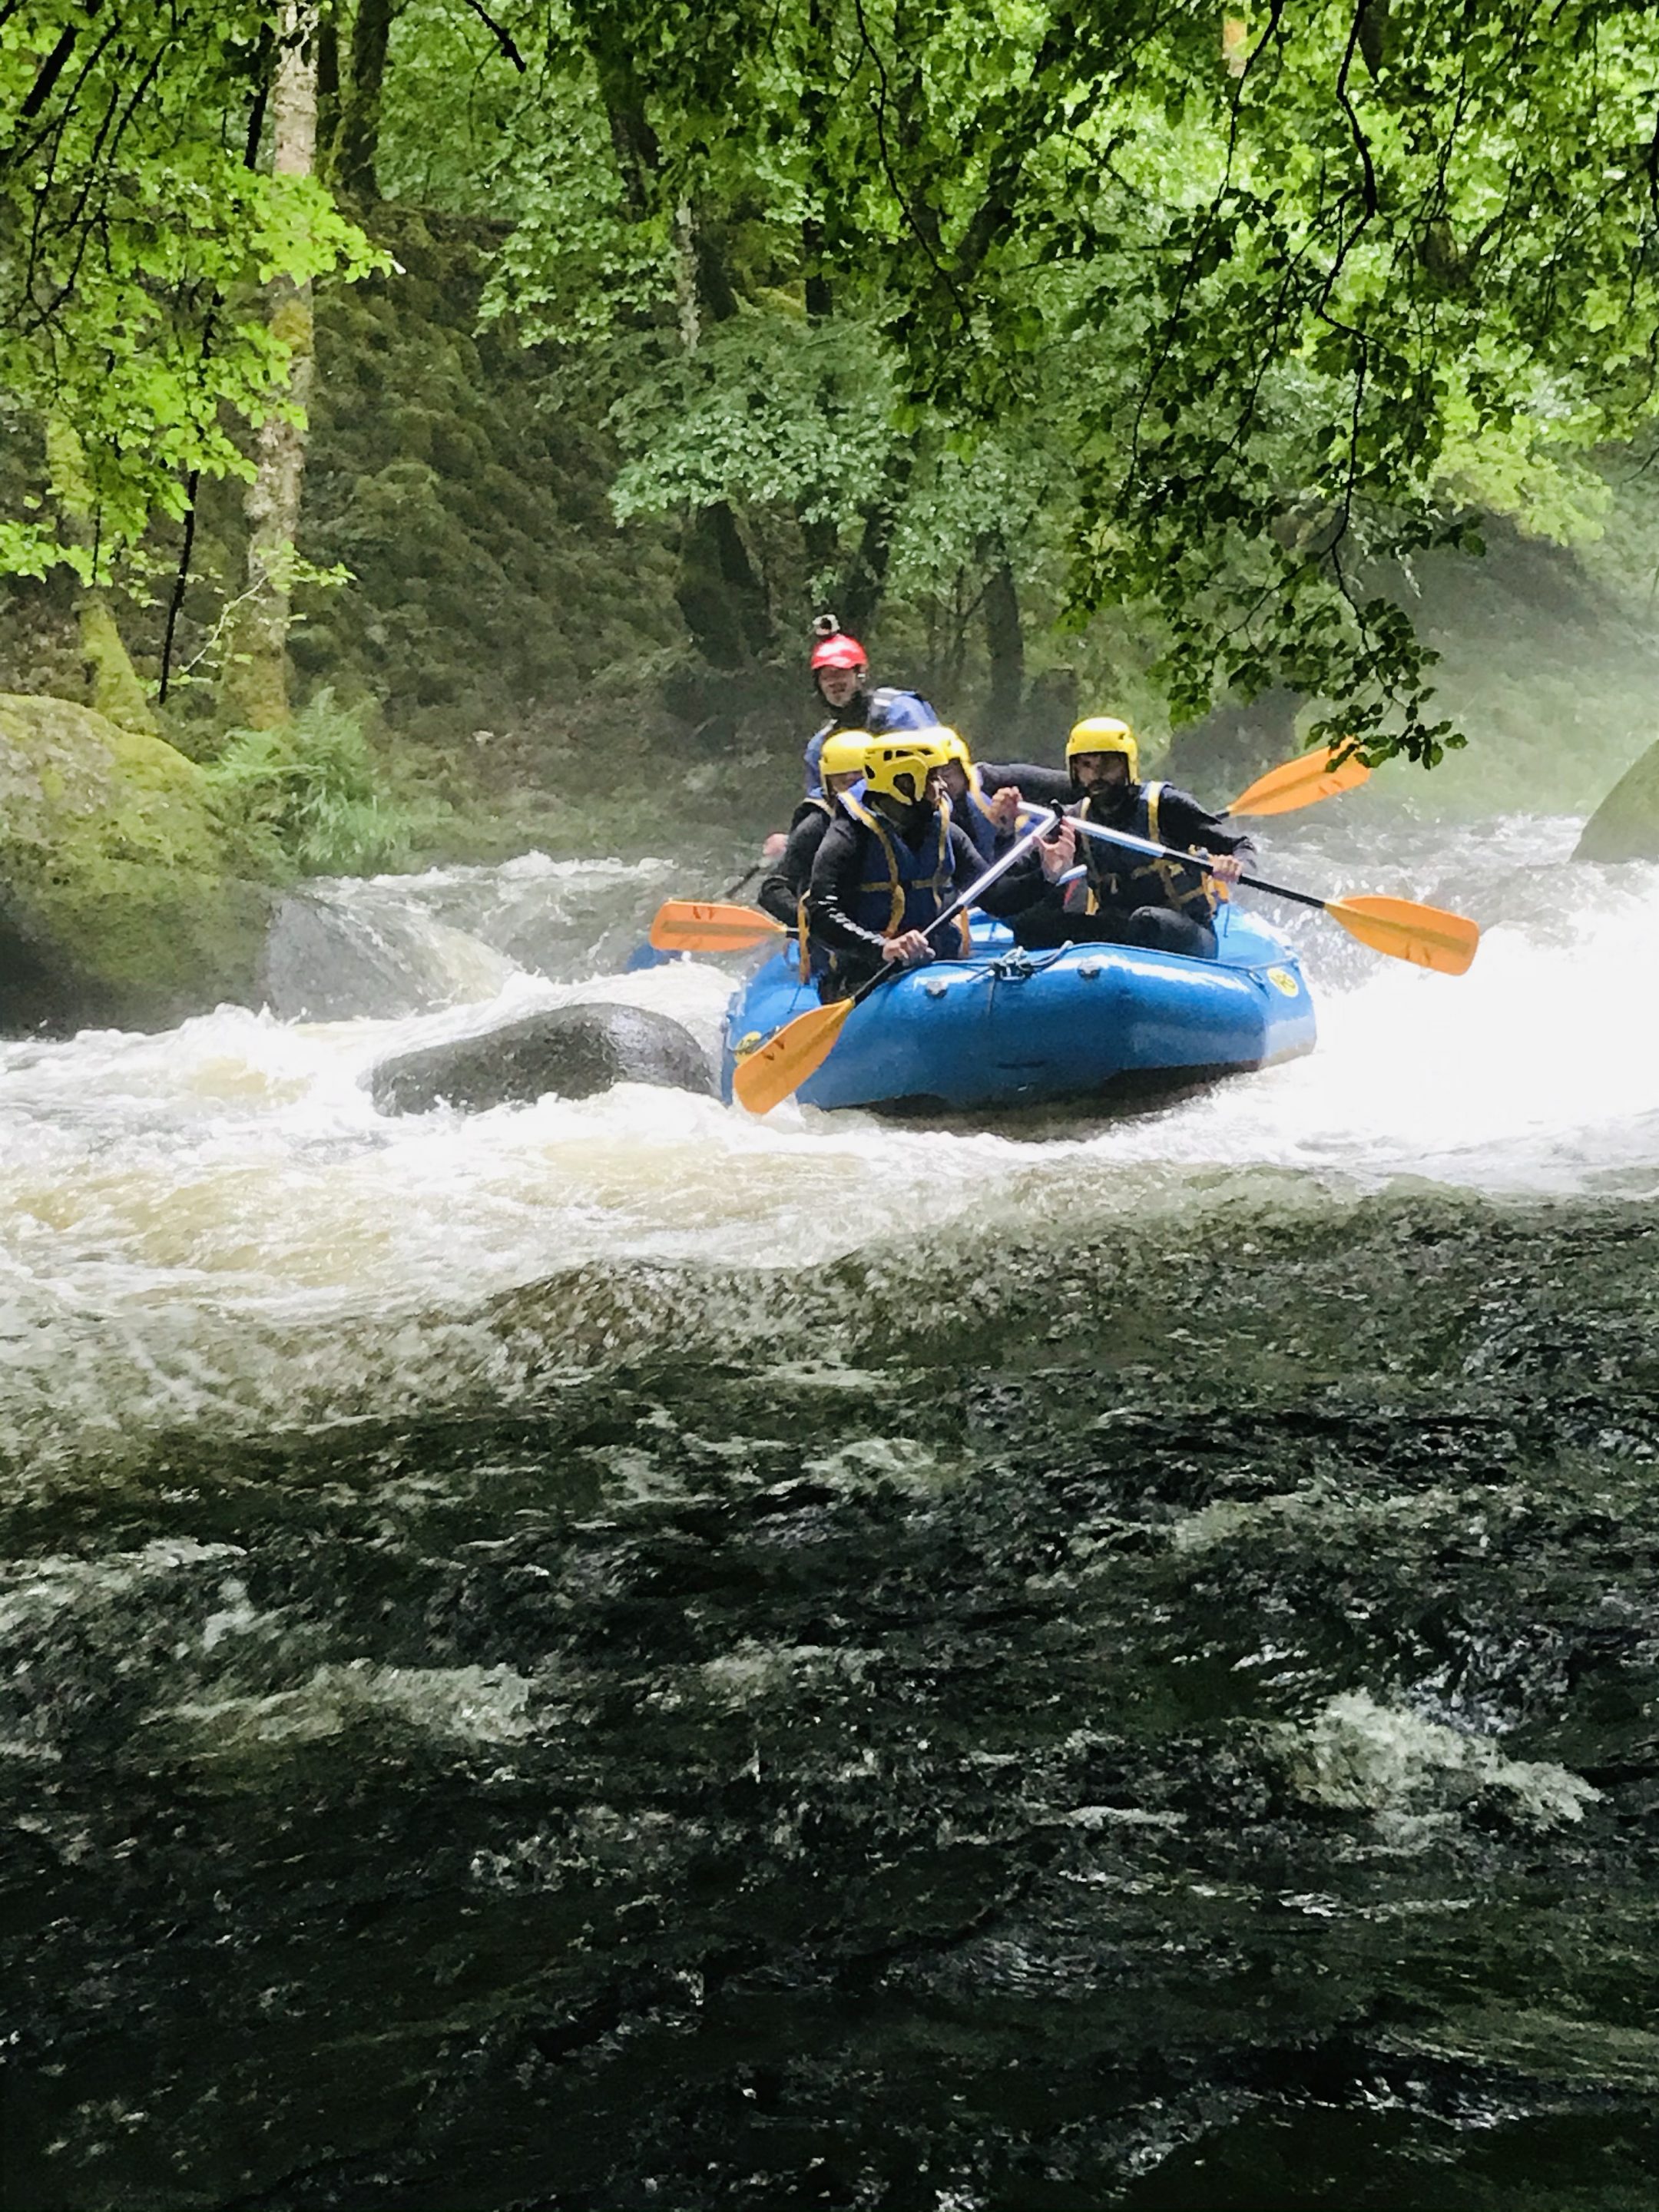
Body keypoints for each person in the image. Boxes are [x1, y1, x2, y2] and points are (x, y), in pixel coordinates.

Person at [805, 730, 1068, 996]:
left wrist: (1046, 875)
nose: (942, 786)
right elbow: (818, 912)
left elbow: (995, 899)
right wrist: (881, 948)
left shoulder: (945, 831)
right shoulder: (848, 834)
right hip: (866, 976)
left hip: (936, 970)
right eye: (932, 777)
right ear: (903, 782)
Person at [1013, 717, 1254, 960]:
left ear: (1127, 765)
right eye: (1086, 765)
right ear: (1075, 771)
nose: (1096, 775)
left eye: (1107, 765)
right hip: (1116, 929)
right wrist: (1007, 834)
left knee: (1147, 921)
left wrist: (1235, 865)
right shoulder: (1075, 818)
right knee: (1030, 927)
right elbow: (1019, 870)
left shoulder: (1166, 806)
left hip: (1182, 931)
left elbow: (1241, 846)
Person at [803, 616, 937, 793]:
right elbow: (817, 800)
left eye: (840, 673)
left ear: (860, 674)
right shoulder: (821, 746)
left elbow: (934, 770)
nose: (834, 682)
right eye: (826, 677)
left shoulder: (900, 710)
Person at [756, 730, 872, 930]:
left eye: (860, 780)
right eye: (843, 781)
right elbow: (773, 890)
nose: (854, 791)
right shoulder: (816, 825)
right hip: (838, 939)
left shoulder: (898, 816)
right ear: (828, 782)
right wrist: (817, 924)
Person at [931, 728, 1074, 865]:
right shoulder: (931, 818)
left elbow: (1065, 785)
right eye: (932, 776)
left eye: (947, 771)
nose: (942, 783)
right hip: (996, 875)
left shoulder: (991, 780)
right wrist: (1004, 832)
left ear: (962, 767)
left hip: (1050, 856)